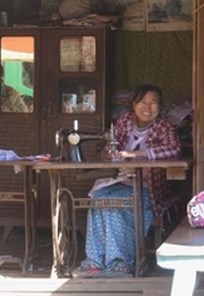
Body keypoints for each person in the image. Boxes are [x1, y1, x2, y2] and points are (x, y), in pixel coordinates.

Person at [77, 84, 181, 278]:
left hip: (148, 188)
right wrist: (109, 154)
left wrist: (136, 154)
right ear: (134, 104)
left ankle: (121, 263)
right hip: (119, 182)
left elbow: (173, 149)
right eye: (143, 102)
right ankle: (94, 262)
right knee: (98, 201)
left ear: (160, 107)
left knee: (116, 207)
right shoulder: (125, 120)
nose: (147, 107)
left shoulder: (163, 126)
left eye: (153, 103)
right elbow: (110, 144)